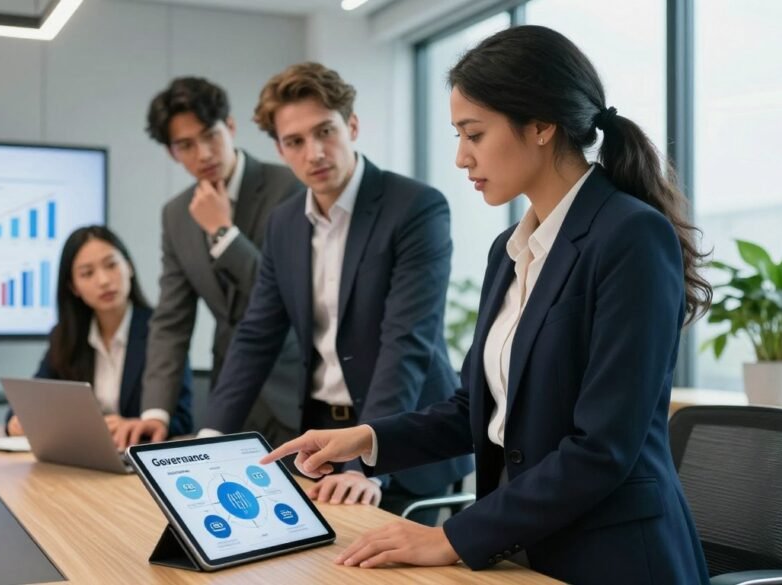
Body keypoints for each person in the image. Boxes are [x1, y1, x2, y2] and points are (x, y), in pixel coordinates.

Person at [263, 26, 713, 584]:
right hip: (523, 549)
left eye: (473, 134)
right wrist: (368, 438)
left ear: (543, 124)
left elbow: (603, 447)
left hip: (612, 559)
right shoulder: (512, 249)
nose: (460, 157)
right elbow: (476, 408)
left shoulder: (630, 236)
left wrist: (452, 535)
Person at [201, 62, 472, 523]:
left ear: (351, 125)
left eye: (325, 131)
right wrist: (209, 438)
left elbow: (405, 341)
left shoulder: (415, 208)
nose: (314, 153)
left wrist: (369, 461)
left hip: (402, 439)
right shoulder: (284, 223)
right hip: (321, 440)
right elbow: (257, 336)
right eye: (295, 142)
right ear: (280, 150)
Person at [122, 76, 305, 447]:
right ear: (171, 152)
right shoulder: (177, 214)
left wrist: (223, 233)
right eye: (185, 145)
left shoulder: (290, 188)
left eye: (210, 135)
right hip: (232, 399)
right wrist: (156, 411)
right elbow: (171, 320)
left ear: (231, 127)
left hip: (297, 391)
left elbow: (288, 296)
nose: (203, 154)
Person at [6, 225, 193, 447]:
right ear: (73, 287)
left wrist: (135, 426)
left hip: (135, 460)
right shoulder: (66, 337)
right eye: (87, 273)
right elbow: (32, 401)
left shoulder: (162, 332)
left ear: (129, 267)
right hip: (85, 460)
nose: (103, 280)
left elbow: (182, 420)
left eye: (111, 265)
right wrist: (16, 422)